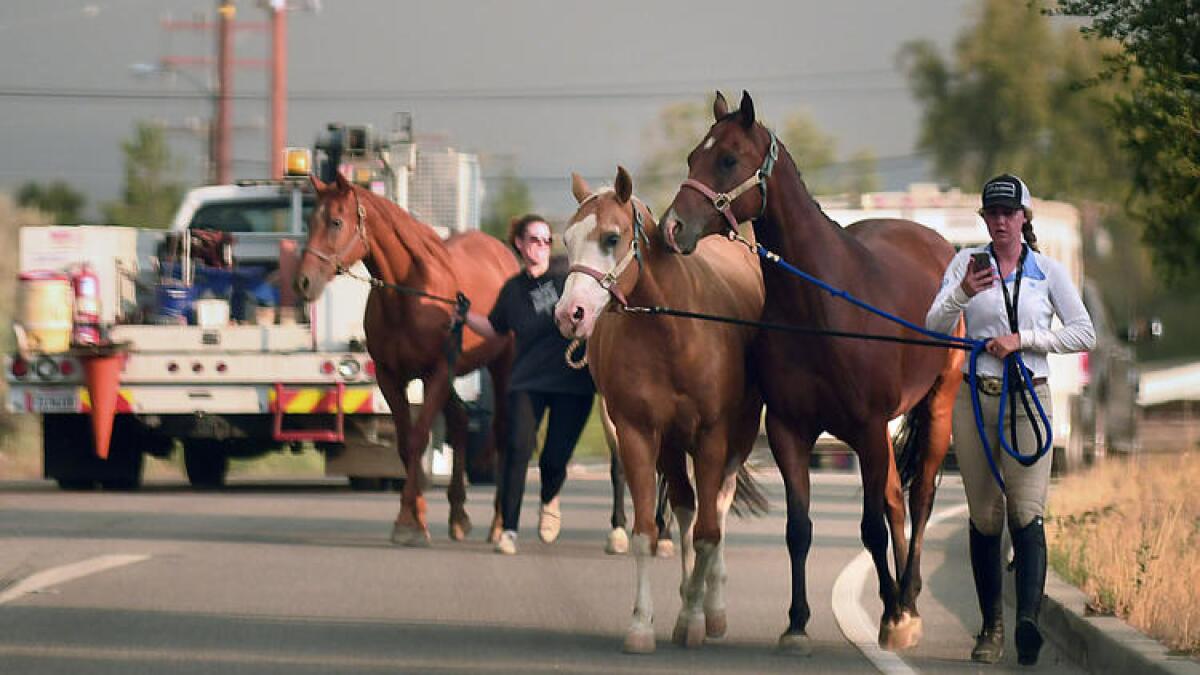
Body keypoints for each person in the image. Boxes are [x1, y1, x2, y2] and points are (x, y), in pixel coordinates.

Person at [925, 174, 1095, 666]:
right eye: (992, 214)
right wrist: (960, 293)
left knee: (1026, 512)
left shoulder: (1047, 271)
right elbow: (933, 325)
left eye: (1009, 213)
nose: (1000, 221)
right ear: (985, 219)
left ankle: (1027, 622)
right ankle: (990, 626)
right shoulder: (966, 264)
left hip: (1029, 398)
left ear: (1024, 219)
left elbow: (1083, 332)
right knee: (985, 516)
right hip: (976, 400)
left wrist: (1026, 340)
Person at [465, 214, 596, 555]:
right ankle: (508, 528)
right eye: (534, 240)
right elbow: (496, 328)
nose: (541, 247)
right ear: (520, 245)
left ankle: (550, 499)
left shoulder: (566, 277)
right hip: (527, 381)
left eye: (546, 241)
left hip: (573, 380)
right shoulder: (512, 291)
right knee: (517, 450)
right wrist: (463, 315)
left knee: (555, 459)